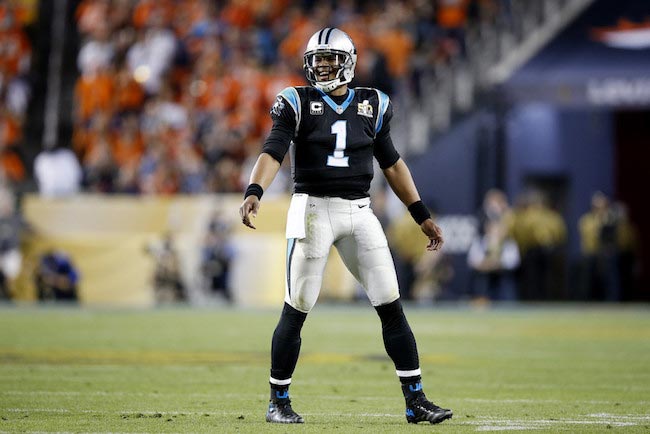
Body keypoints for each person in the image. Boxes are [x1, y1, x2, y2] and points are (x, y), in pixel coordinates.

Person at [239, 28, 452, 425]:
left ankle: (416, 401)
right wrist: (254, 190)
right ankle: (278, 402)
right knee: (298, 304)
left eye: (329, 59)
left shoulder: (374, 104)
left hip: (359, 210)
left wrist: (421, 214)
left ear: (349, 62)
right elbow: (273, 149)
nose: (321, 66)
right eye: (316, 59)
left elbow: (392, 164)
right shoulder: (296, 101)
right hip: (312, 210)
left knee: (390, 301)